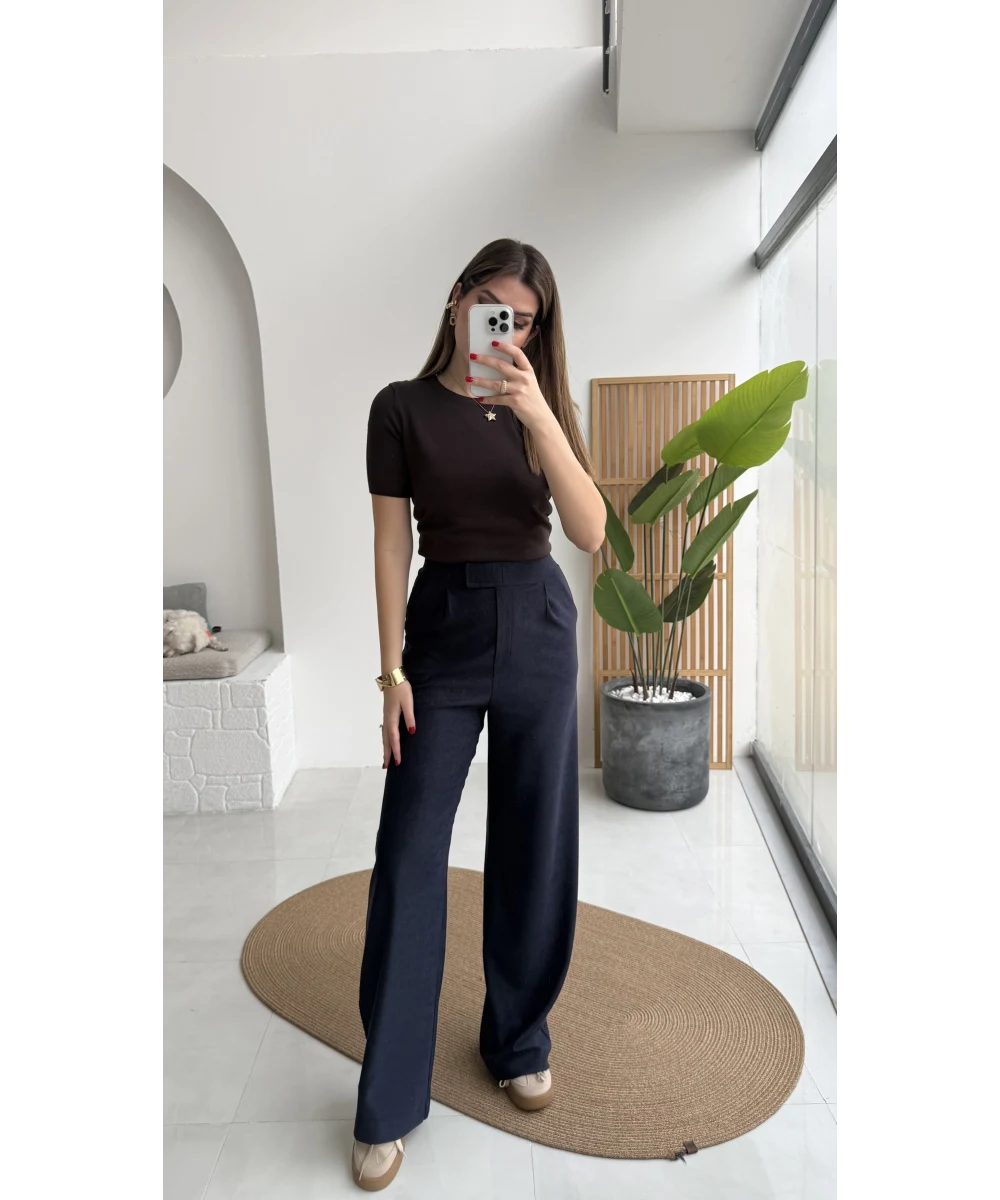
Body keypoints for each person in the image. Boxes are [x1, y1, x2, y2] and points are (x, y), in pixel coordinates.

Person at [354, 238, 606, 1190]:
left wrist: (538, 413)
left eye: (524, 318)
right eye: (491, 303)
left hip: (538, 624)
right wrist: (391, 672)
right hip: (443, 632)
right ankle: (388, 1098)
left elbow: (589, 530)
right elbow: (391, 546)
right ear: (458, 299)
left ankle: (518, 1037)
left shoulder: (541, 406)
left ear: (537, 331)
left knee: (534, 842)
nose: (505, 326)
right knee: (409, 852)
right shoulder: (399, 407)